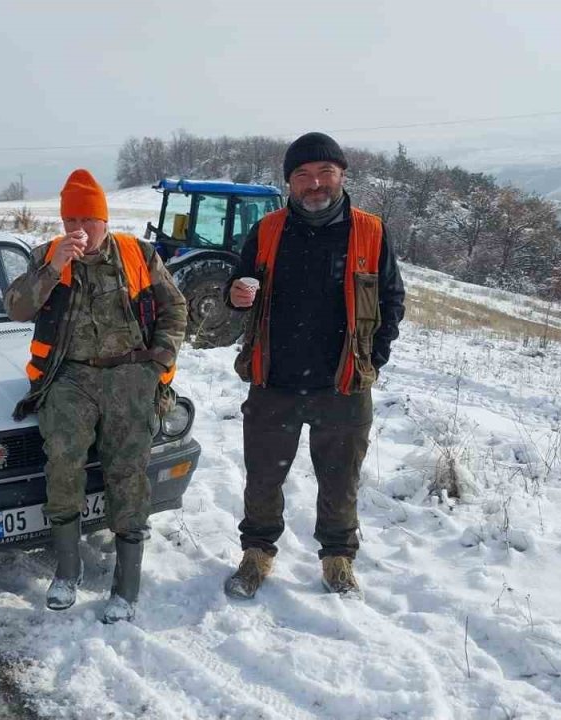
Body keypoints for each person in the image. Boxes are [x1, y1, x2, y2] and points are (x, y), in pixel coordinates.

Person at [224, 132, 404, 599]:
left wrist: (374, 358)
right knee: (264, 474)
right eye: (302, 175)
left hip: (341, 383)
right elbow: (240, 285)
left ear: (342, 175)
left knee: (340, 478)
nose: (314, 182)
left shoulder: (370, 231)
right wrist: (236, 294)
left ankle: (338, 558)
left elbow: (391, 300)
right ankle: (257, 553)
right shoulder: (267, 230)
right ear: (290, 183)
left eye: (324, 172)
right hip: (274, 380)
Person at [5, 169, 187, 623]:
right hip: (70, 378)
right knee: (62, 463)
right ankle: (68, 570)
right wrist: (53, 269)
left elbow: (174, 306)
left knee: (128, 472)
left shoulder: (136, 254)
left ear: (105, 221)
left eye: (89, 220)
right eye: (71, 221)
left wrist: (159, 361)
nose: (80, 230)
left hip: (131, 376)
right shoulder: (47, 256)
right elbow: (16, 309)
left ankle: (126, 586)